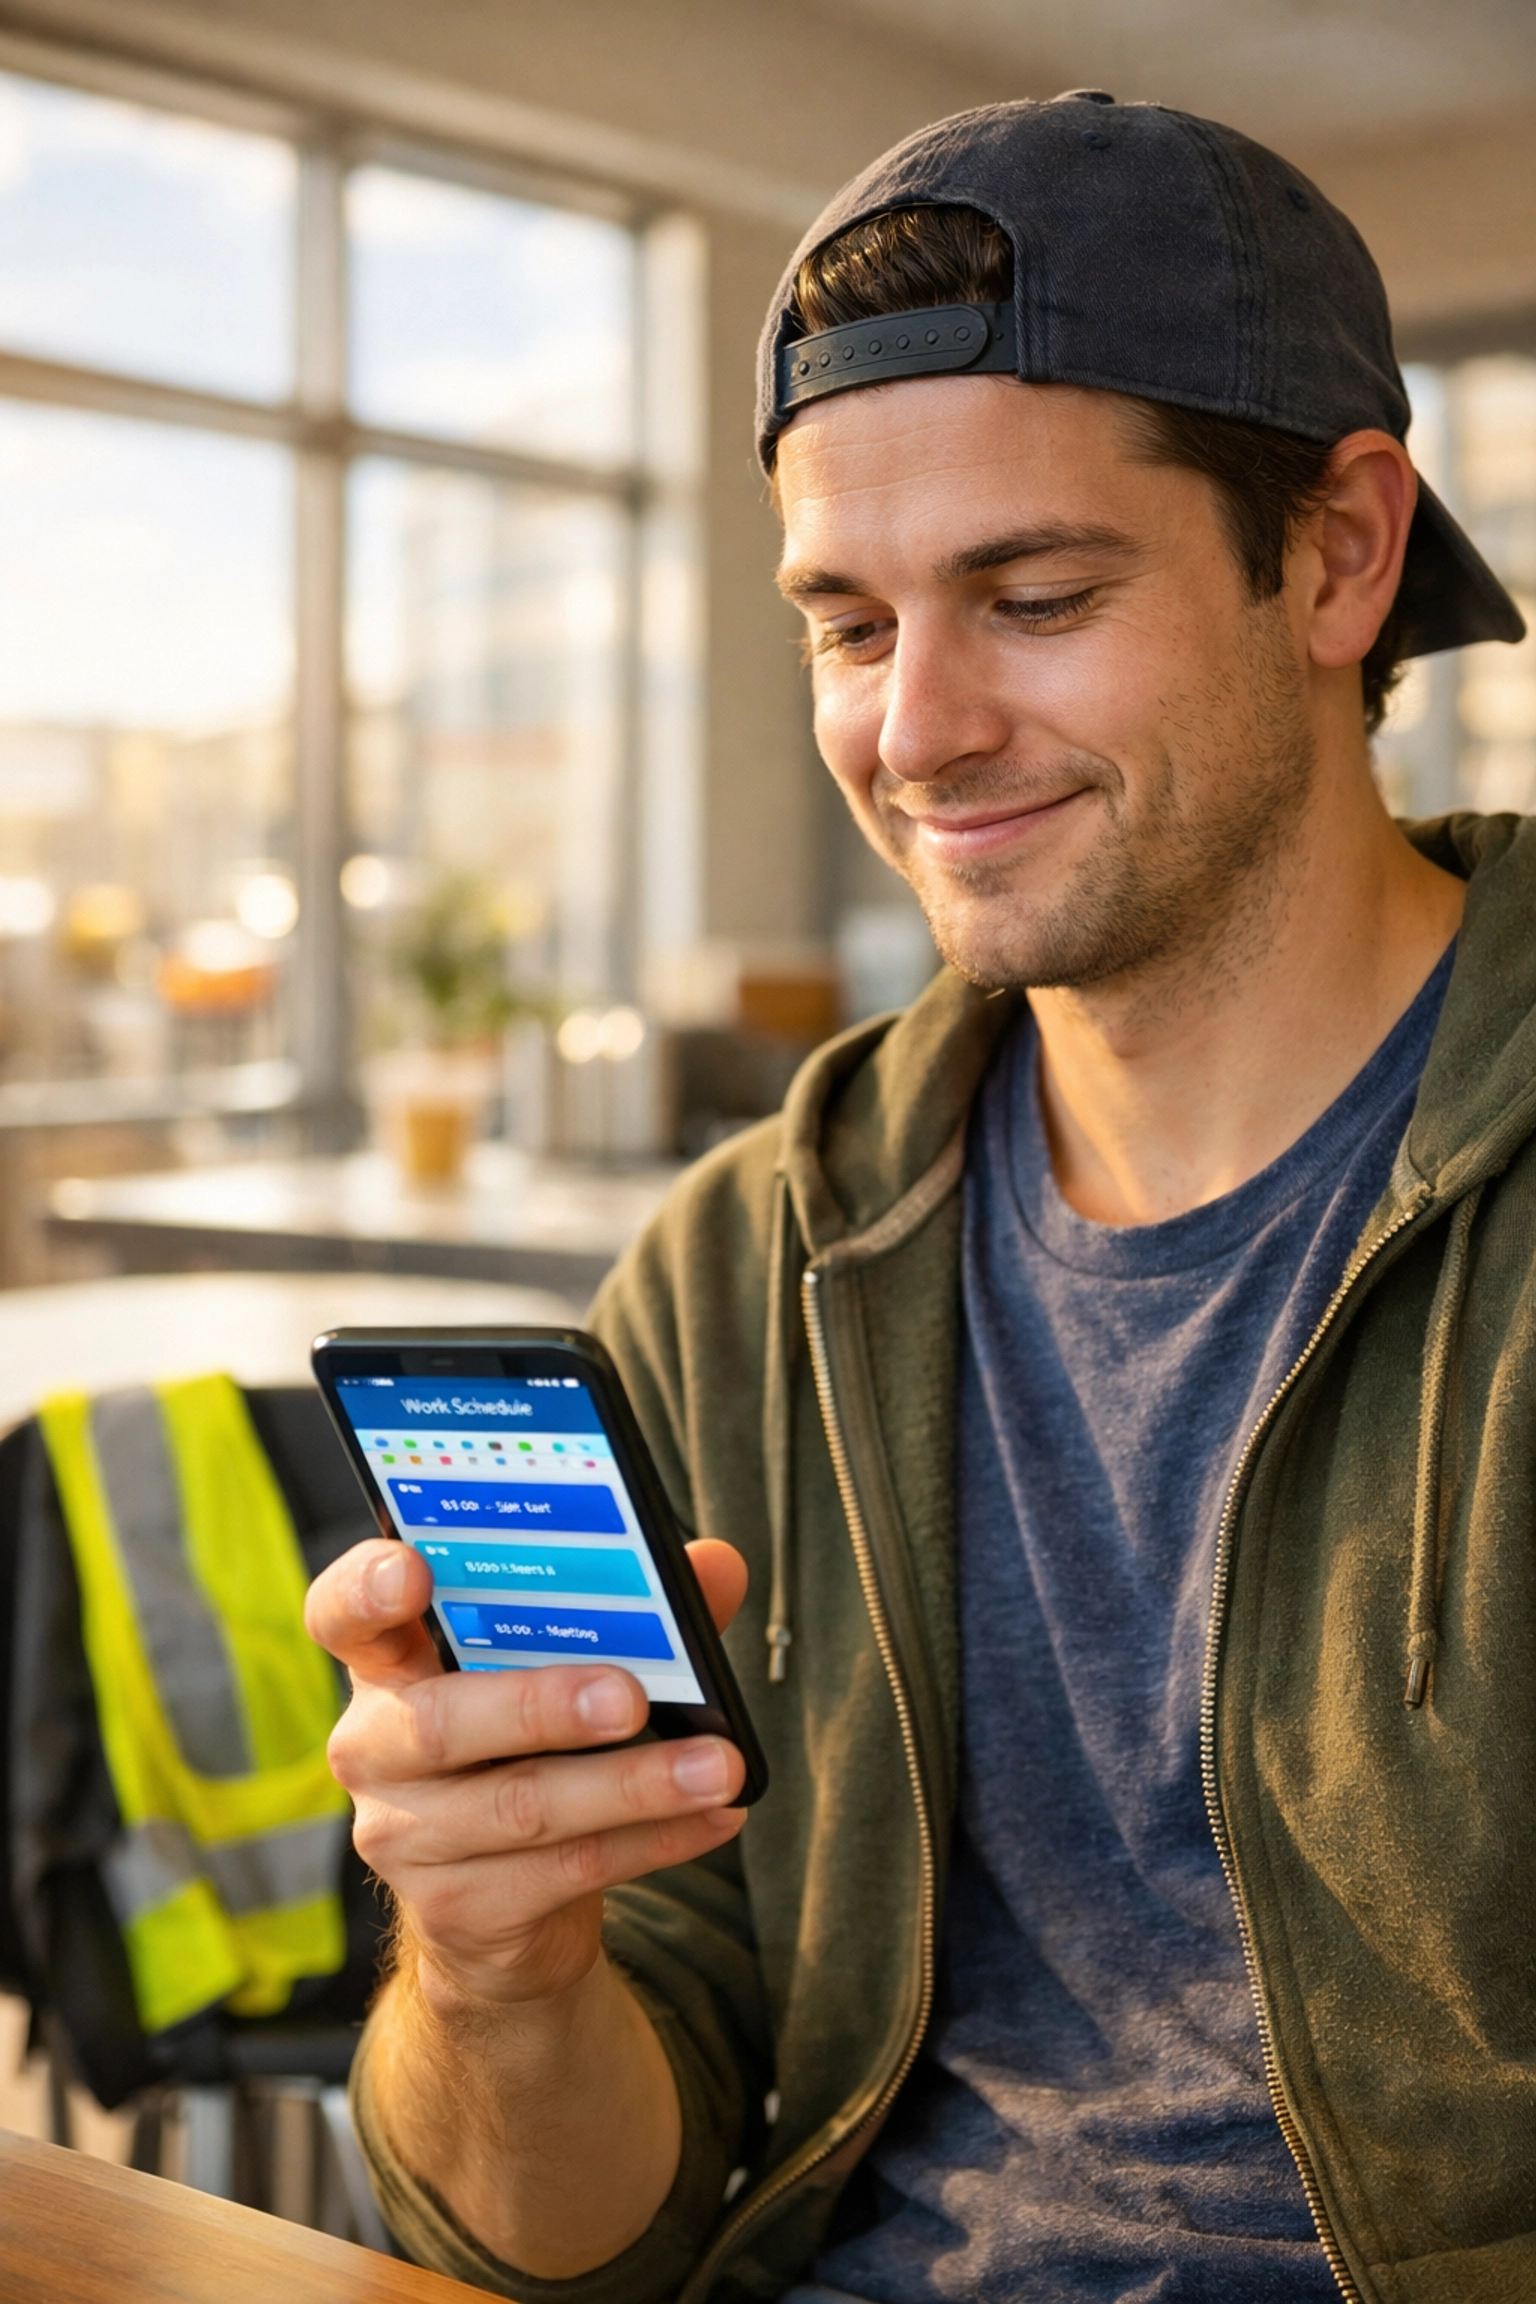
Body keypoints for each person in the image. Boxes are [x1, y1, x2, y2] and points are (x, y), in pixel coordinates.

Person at [305, 94, 1535, 2304]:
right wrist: (499, 1974)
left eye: (1037, 597)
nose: (922, 729)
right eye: (848, 626)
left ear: (1346, 555)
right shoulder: (746, 1262)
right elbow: (575, 2245)